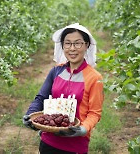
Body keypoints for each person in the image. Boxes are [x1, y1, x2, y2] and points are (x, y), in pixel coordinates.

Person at [23, 23, 104, 154]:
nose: (72, 48)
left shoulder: (94, 78)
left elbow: (94, 113)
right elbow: (41, 98)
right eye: (67, 43)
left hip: (75, 144)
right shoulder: (56, 71)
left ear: (87, 45)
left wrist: (83, 129)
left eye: (78, 43)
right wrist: (30, 114)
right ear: (62, 46)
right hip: (48, 140)